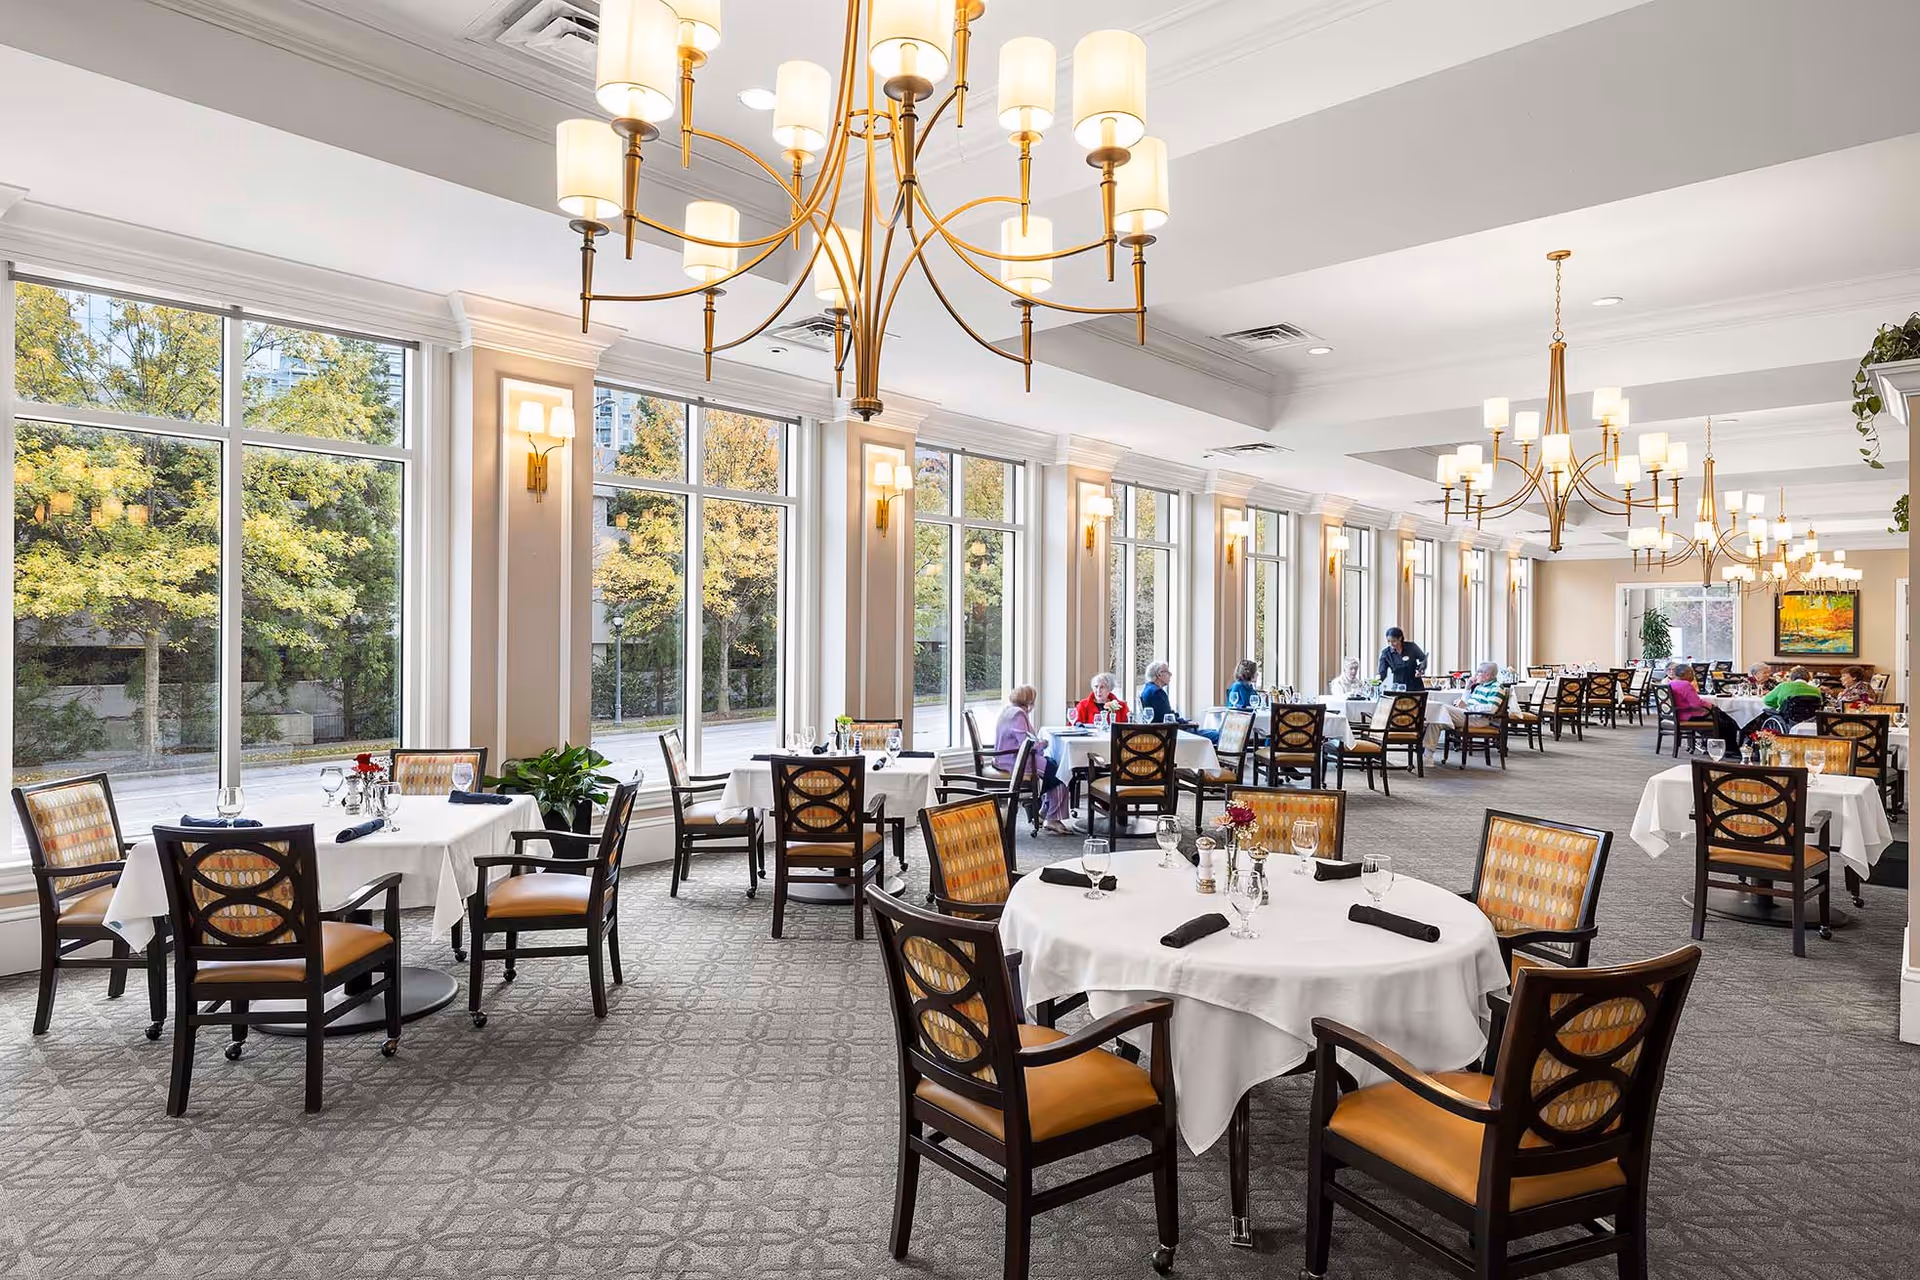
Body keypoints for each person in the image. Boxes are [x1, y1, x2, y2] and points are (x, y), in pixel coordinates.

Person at [993, 684, 1072, 834]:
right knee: (1060, 774)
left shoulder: (1009, 710)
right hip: (1016, 760)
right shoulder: (1018, 714)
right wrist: (1042, 743)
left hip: (1007, 757)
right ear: (1029, 700)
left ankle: (1045, 811)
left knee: (1054, 767)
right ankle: (1052, 818)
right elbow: (1026, 742)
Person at [1669, 662, 1740, 753]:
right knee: (1727, 720)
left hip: (1679, 714)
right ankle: (1730, 748)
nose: (1693, 676)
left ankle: (1713, 743)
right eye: (1692, 673)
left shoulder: (1671, 683)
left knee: (1722, 718)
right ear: (1684, 674)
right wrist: (1711, 706)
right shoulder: (1685, 685)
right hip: (1689, 715)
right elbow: (1696, 704)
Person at [1378, 627, 1428, 691]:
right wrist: (1375, 683)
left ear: (1400, 638)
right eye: (1388, 641)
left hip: (1415, 685)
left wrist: (1421, 669)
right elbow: (1382, 673)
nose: (1391, 644)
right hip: (1398, 687)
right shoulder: (1386, 654)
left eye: (1394, 641)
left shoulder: (1411, 647)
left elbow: (1424, 658)